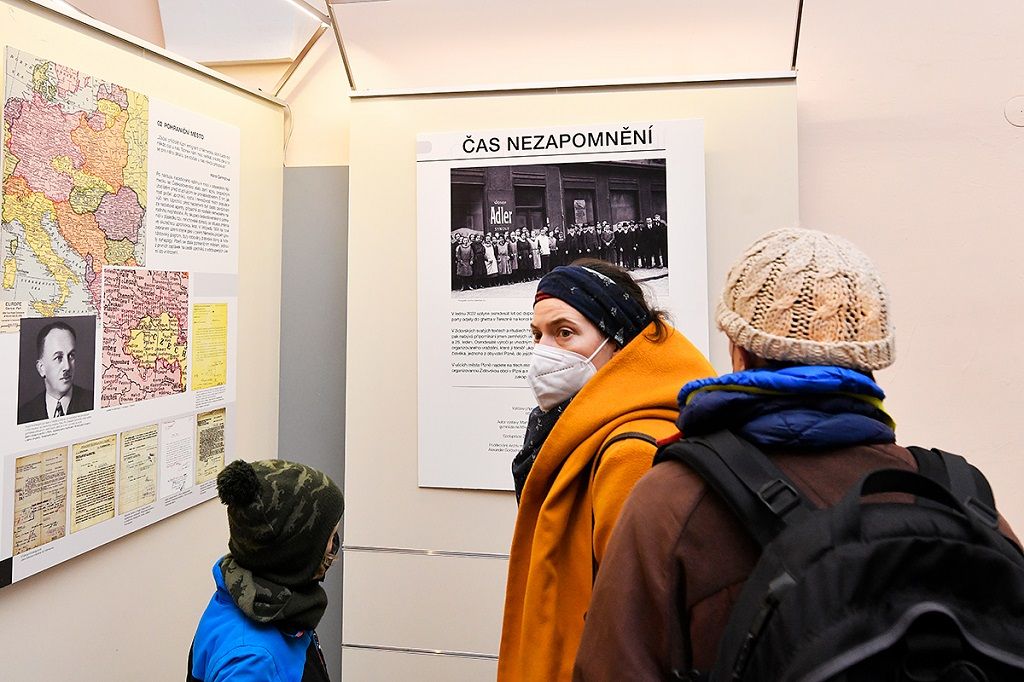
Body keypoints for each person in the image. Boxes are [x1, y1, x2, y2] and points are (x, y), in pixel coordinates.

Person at [572, 228, 1020, 680]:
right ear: (868, 363)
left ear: (739, 353)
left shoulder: (674, 501)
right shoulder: (959, 497)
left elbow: (611, 668)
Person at [497, 259, 714, 682]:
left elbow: (633, 623)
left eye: (565, 332)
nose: (544, 351)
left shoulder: (632, 451)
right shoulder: (570, 432)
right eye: (537, 335)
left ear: (618, 343)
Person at [188, 459, 345, 682]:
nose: (333, 548)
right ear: (294, 552)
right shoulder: (251, 660)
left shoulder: (270, 603)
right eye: (329, 538)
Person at [18, 320, 93, 424]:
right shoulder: (24, 414)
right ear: (41, 368)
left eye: (71, 356)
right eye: (58, 357)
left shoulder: (92, 402)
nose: (67, 367)